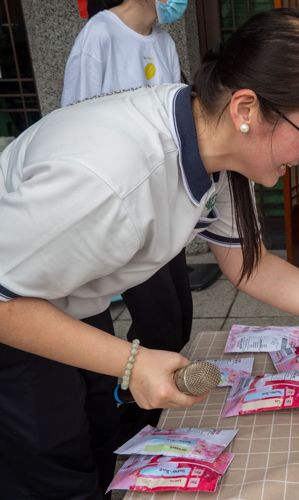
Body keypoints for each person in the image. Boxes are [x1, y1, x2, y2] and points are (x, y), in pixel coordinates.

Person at [0, 9, 299, 499]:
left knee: (99, 439)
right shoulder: (110, 178)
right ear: (245, 109)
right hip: (18, 318)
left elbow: (248, 265)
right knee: (54, 469)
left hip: (70, 300)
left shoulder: (218, 150)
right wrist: (131, 362)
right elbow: (6, 301)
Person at [62, 0, 193, 443]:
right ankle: (128, 428)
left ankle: (150, 417)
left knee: (179, 320)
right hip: (119, 212)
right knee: (157, 325)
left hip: (161, 206)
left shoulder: (164, 41)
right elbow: (72, 124)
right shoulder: (99, 36)